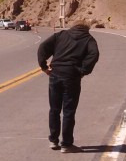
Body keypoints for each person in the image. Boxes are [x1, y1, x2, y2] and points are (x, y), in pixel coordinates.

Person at [37, 20, 100, 153]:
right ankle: (66, 144)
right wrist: (83, 71)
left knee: (54, 109)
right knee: (68, 111)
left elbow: (43, 47)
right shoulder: (88, 39)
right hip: (72, 77)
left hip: (55, 74)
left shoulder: (61, 35)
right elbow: (94, 54)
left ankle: (53, 140)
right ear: (87, 29)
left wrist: (44, 66)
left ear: (73, 26)